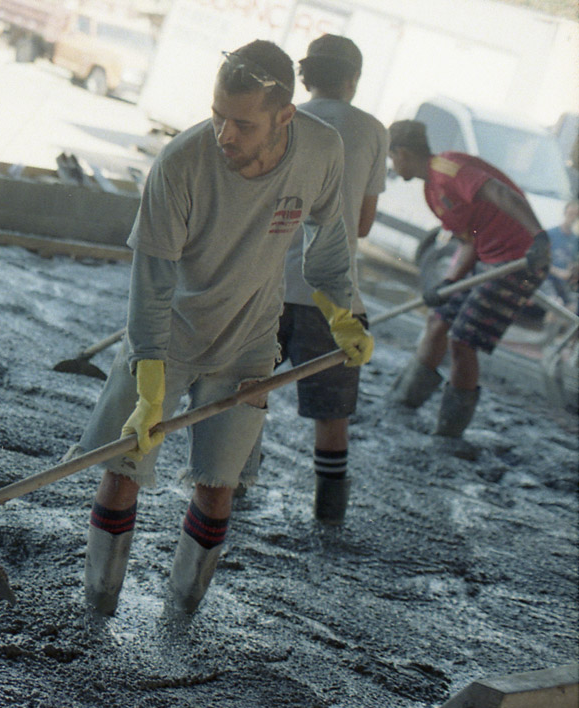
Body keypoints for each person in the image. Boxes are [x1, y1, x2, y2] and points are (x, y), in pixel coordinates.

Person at [74, 40, 372, 616]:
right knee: (122, 466)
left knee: (219, 484)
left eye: (241, 122)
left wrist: (344, 315)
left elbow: (330, 244)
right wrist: (150, 385)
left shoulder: (320, 150)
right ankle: (97, 608)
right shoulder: (181, 163)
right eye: (216, 115)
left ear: (285, 115)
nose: (224, 135)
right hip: (165, 337)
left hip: (250, 342)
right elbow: (152, 282)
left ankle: (182, 614)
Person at [241, 34, 388, 525]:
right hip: (334, 297)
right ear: (353, 79)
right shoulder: (372, 130)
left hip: (266, 283)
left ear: (303, 77)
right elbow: (362, 226)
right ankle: (328, 519)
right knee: (333, 414)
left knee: (247, 391)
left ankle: (228, 491)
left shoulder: (283, 120)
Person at [386, 120, 552, 437]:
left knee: (463, 341)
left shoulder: (447, 167)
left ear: (402, 153)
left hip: (521, 260)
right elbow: (469, 242)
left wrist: (539, 237)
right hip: (488, 258)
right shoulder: (432, 192)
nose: (392, 166)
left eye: (391, 158)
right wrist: (448, 283)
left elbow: (499, 193)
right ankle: (402, 402)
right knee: (438, 322)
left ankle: (449, 433)